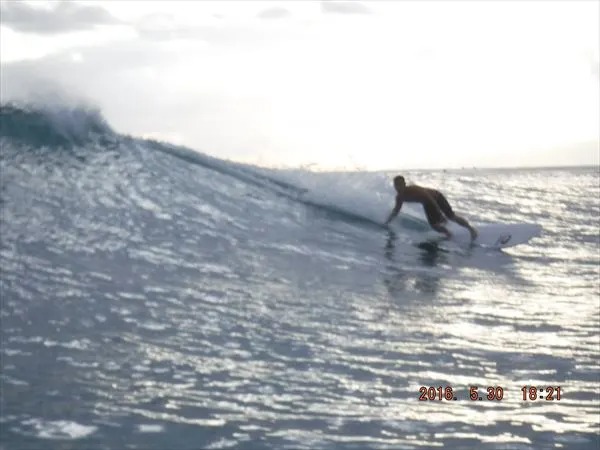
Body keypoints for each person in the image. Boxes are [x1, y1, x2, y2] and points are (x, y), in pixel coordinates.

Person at [384, 175, 478, 240]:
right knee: (434, 226)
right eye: (396, 185)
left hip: (437, 197)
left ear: (404, 184)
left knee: (451, 216)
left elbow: (430, 198)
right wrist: (387, 222)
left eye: (400, 185)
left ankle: (471, 230)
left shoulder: (414, 189)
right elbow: (396, 211)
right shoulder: (399, 198)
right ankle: (449, 234)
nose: (398, 188)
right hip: (426, 203)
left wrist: (440, 213)